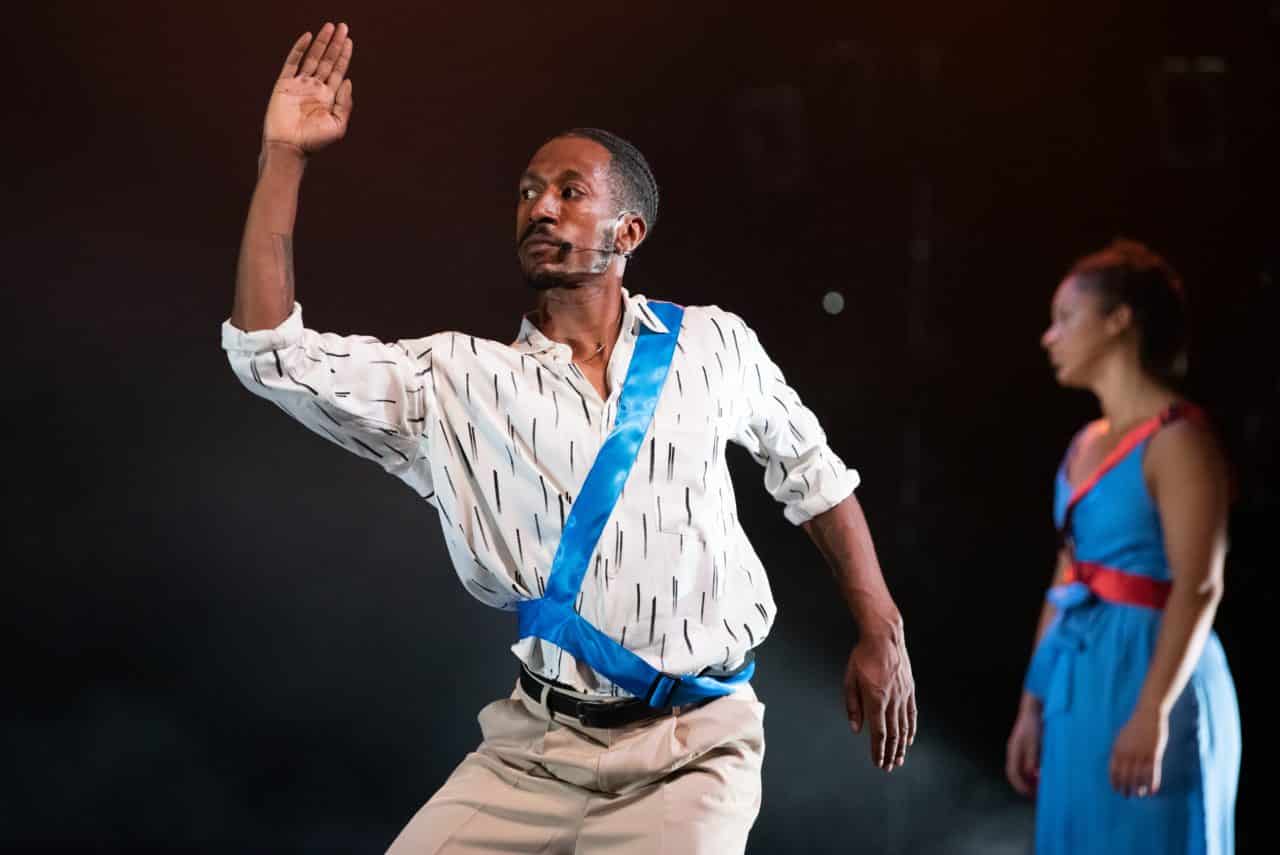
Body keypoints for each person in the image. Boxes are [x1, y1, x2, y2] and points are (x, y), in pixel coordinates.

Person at [222, 22, 917, 853]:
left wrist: (881, 627)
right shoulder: (459, 380)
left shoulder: (712, 343)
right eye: (527, 192)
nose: (540, 206)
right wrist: (283, 157)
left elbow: (813, 474)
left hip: (694, 750)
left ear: (628, 232)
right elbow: (271, 356)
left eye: (569, 191)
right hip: (533, 751)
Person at [1006, 238, 1241, 853]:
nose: (1049, 338)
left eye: (1065, 318)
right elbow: (1067, 576)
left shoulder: (1179, 439)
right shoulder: (1084, 443)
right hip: (1078, 675)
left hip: (1153, 672)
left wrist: (1152, 710)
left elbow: (1200, 584)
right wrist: (1032, 703)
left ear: (1118, 320)